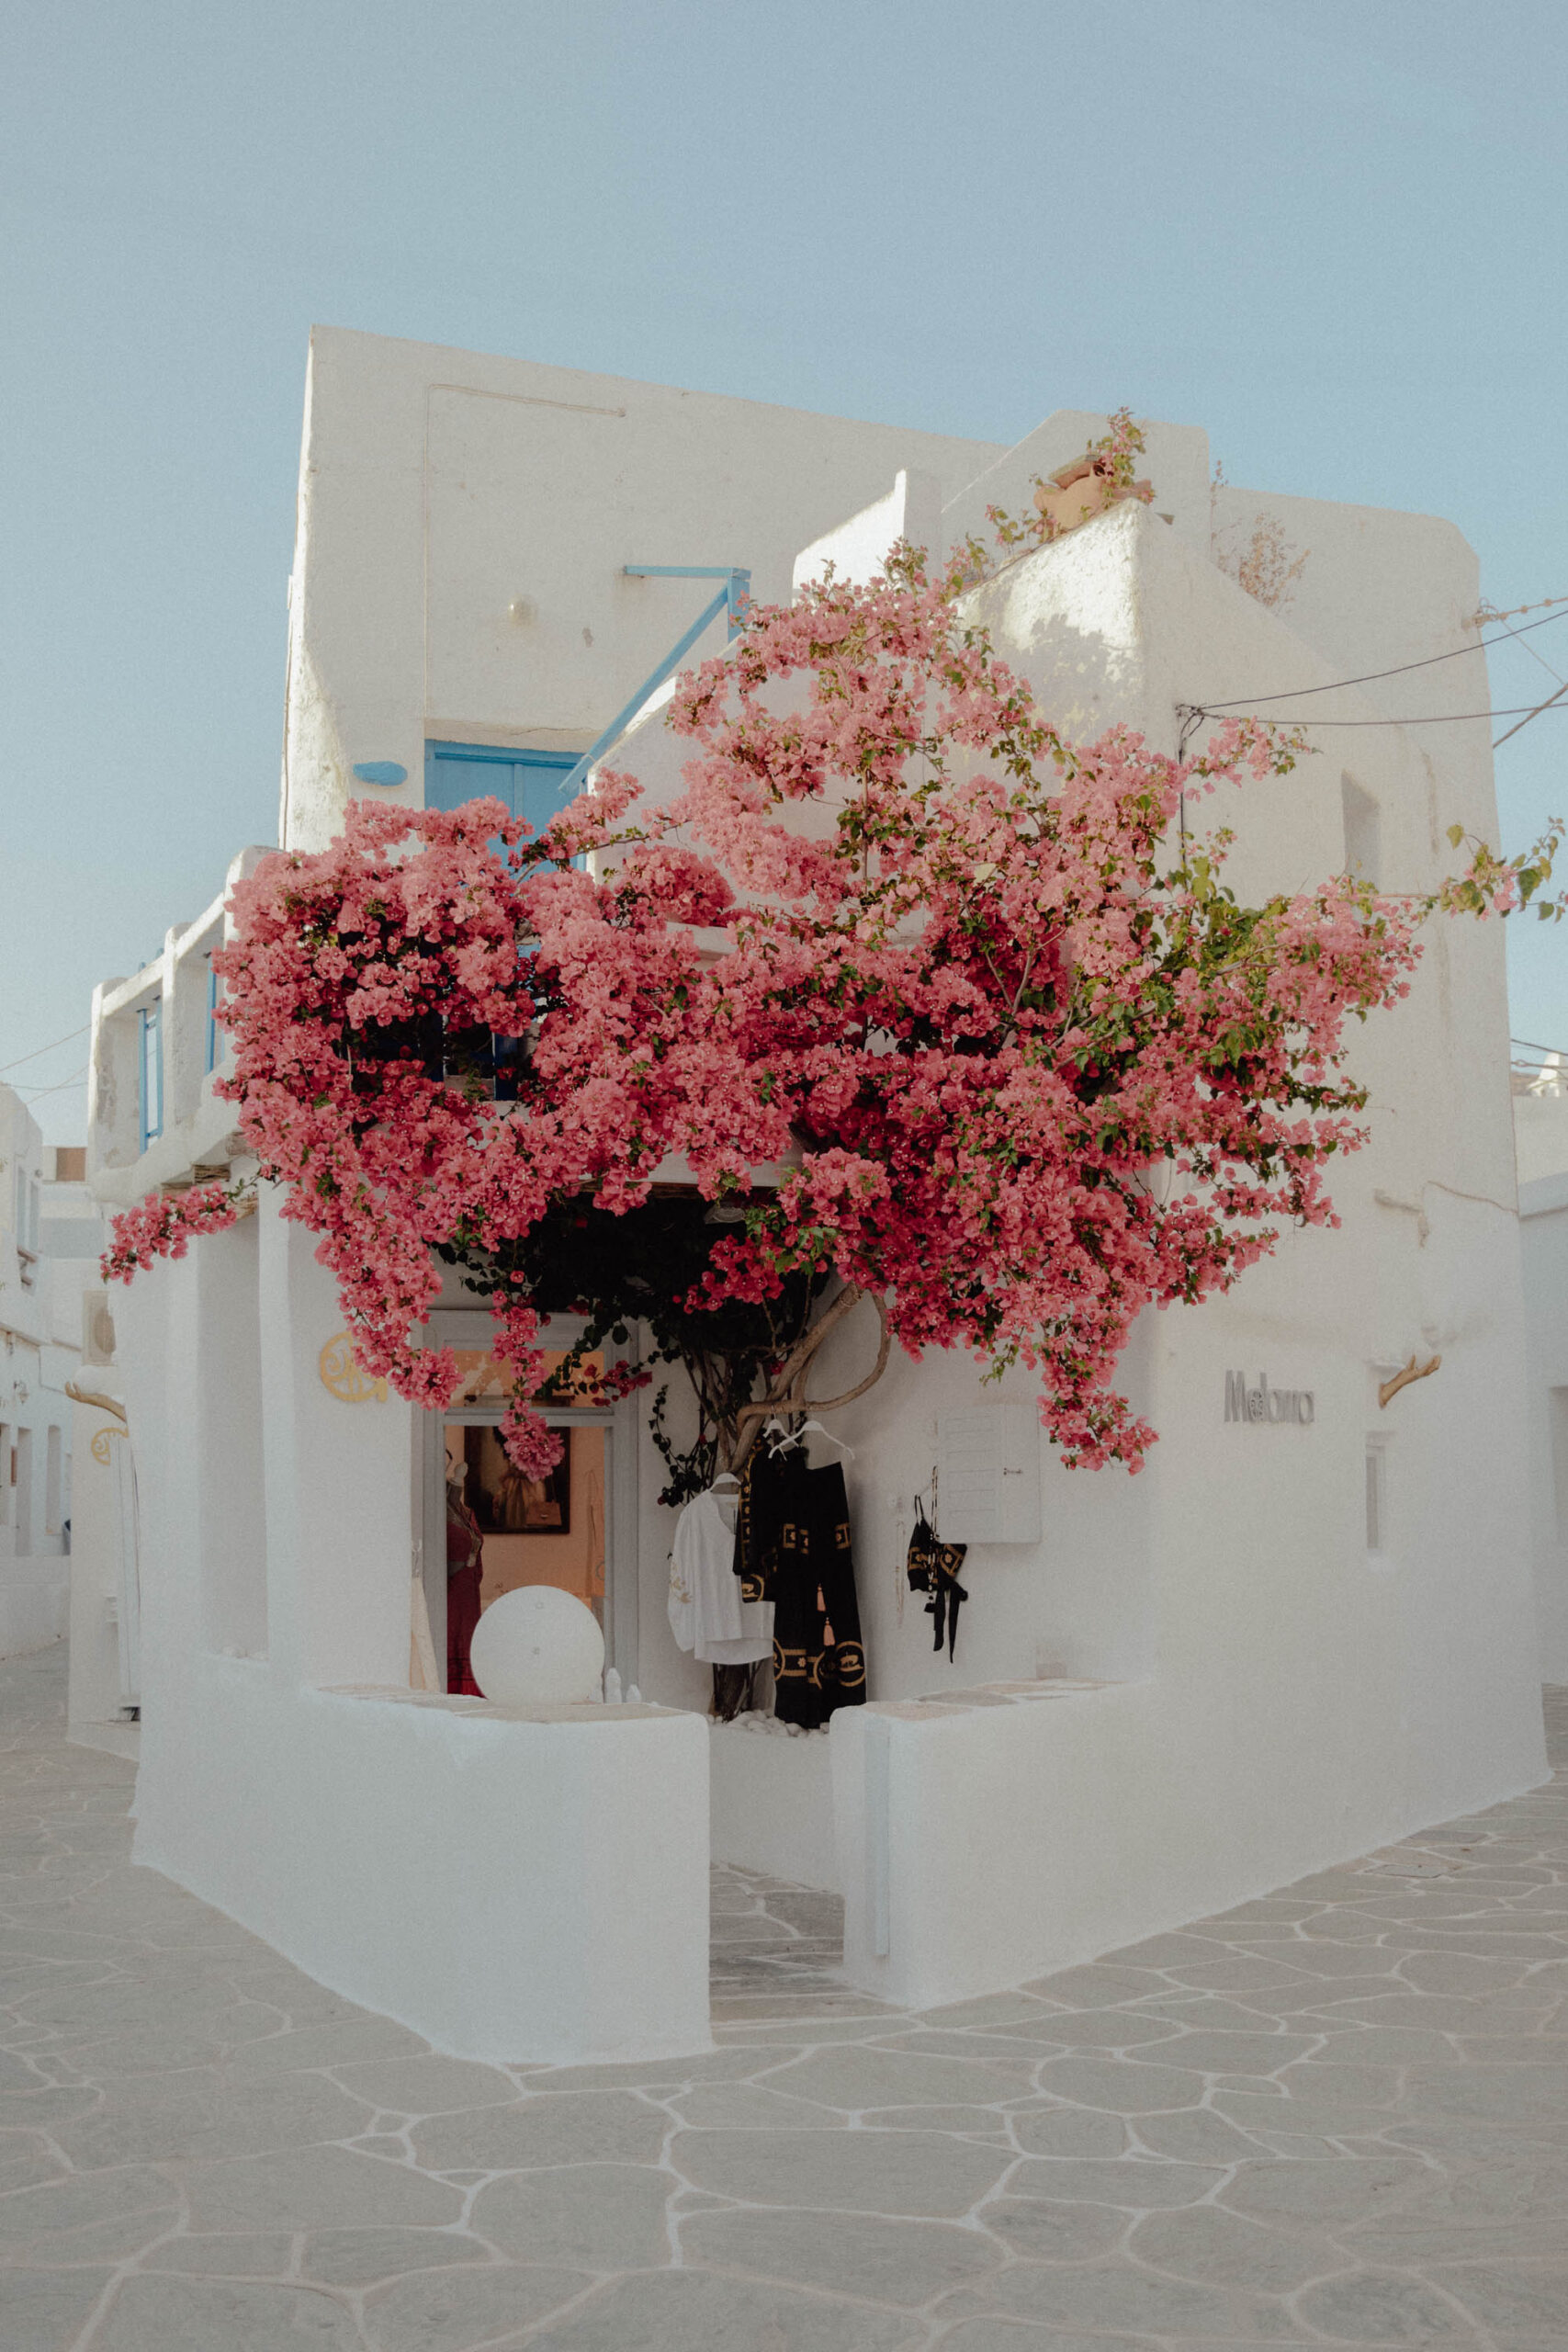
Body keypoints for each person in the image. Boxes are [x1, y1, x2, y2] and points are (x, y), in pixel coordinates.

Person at [445, 1458, 485, 1695]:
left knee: (468, 1637)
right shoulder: (438, 1514)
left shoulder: (466, 1513)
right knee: (453, 1636)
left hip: (469, 1591)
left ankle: (467, 1691)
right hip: (450, 1591)